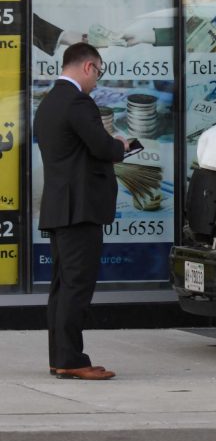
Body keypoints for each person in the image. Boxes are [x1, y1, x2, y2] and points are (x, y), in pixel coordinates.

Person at [34, 43, 129, 380]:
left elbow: (72, 153)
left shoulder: (48, 103)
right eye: (98, 73)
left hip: (60, 207)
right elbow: (102, 147)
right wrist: (120, 145)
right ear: (88, 66)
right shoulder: (77, 102)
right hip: (81, 209)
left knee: (62, 287)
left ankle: (61, 357)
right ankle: (72, 359)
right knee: (76, 287)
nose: (97, 81)